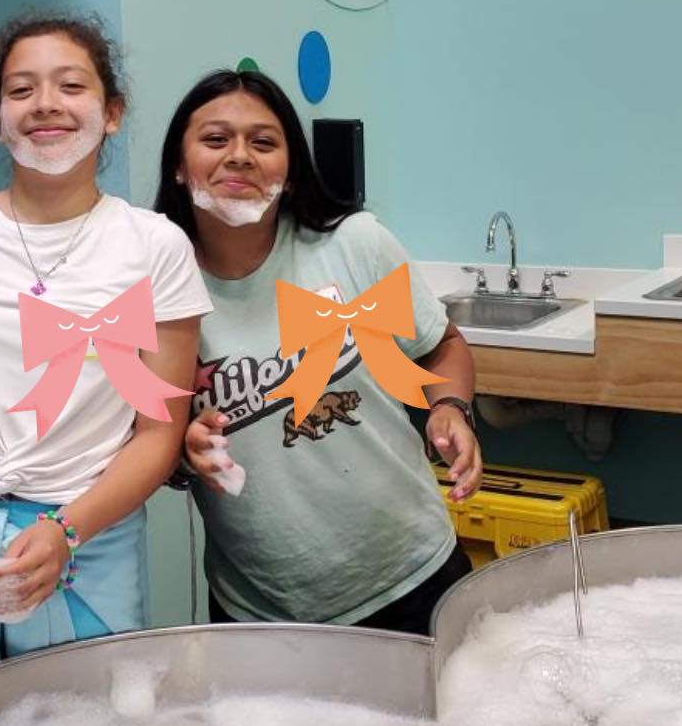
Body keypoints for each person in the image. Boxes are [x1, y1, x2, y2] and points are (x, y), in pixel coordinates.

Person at [0, 13, 211, 700]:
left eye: (71, 86)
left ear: (112, 112)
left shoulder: (155, 247)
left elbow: (158, 434)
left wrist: (64, 532)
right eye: (21, 90)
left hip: (88, 546)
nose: (46, 104)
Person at [155, 68, 482, 636]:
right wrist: (183, 453)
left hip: (414, 574)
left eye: (263, 142)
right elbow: (150, 442)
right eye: (216, 139)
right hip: (262, 611)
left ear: (291, 171)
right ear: (179, 167)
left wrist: (449, 407)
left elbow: (442, 347)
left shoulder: (354, 245)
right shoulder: (156, 290)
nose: (240, 156)